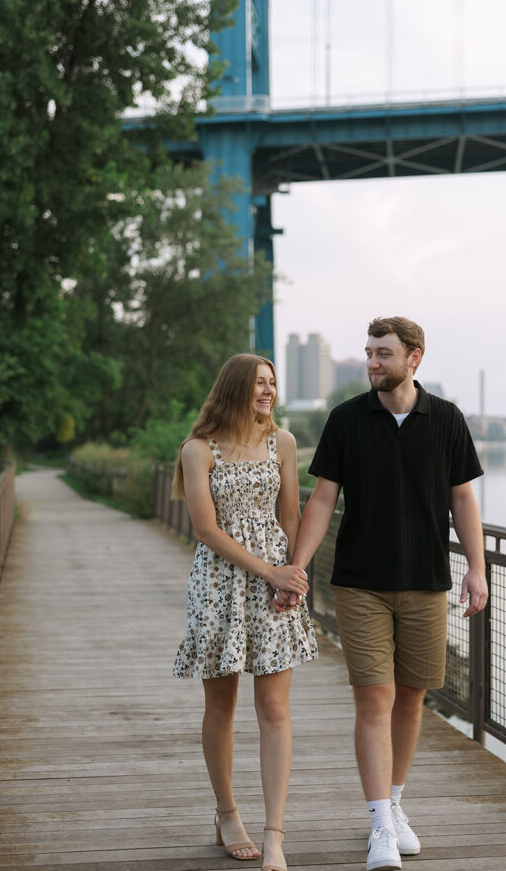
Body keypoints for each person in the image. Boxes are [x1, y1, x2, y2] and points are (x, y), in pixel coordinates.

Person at [275, 317, 488, 871]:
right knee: (375, 699)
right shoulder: (347, 419)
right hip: (360, 582)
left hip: (426, 581)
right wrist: (297, 567)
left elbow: (462, 500)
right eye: (368, 352)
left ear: (413, 358)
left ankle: (393, 804)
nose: (372, 362)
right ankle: (378, 827)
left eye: (383, 354)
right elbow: (322, 501)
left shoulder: (446, 419)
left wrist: (477, 568)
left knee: (413, 698)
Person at [172, 353, 318, 871]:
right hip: (219, 582)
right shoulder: (198, 449)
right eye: (259, 383)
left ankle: (274, 833)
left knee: (275, 708)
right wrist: (269, 570)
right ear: (235, 387)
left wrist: (293, 575)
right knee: (222, 705)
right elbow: (206, 530)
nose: (268, 392)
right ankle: (227, 813)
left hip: (276, 582)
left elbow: (293, 513)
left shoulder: (283, 442)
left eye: (273, 383)